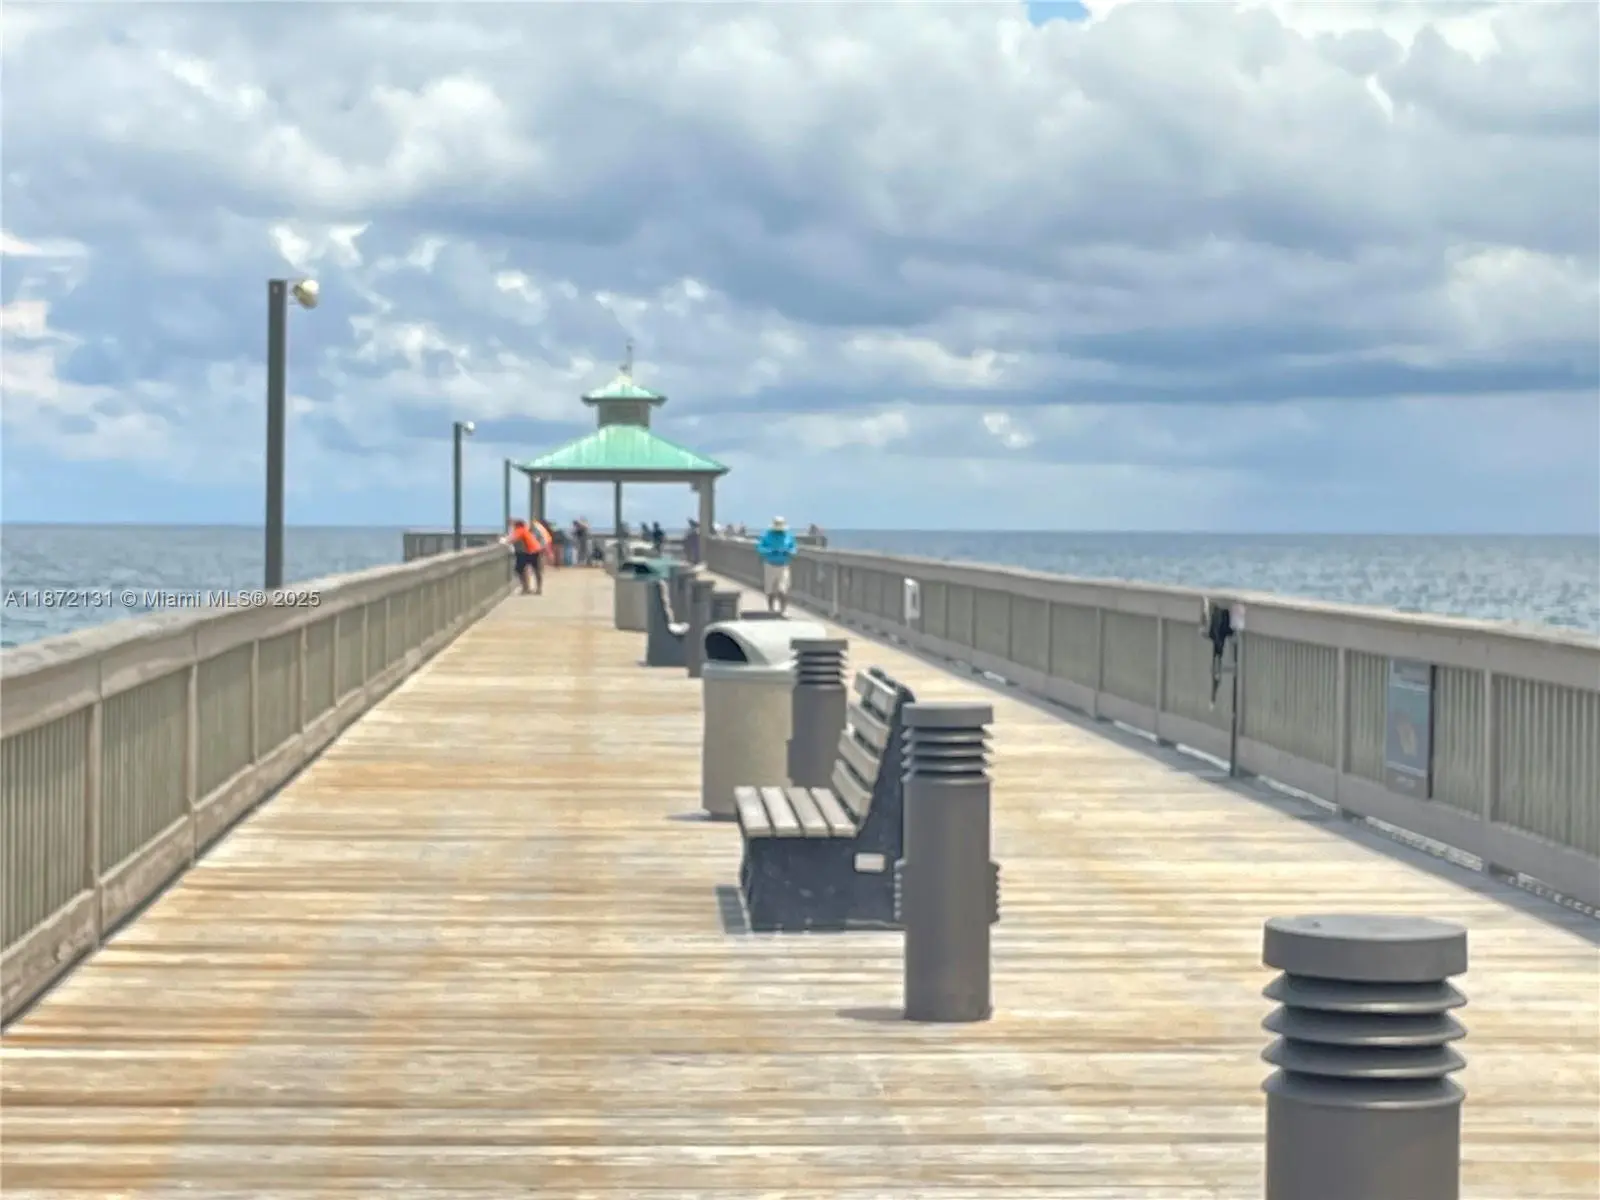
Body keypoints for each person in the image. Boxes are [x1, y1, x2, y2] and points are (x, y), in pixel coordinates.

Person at [755, 515, 798, 615]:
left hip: (783, 565)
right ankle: (771, 609)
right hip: (770, 564)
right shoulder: (767, 535)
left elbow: (794, 548)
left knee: (783, 589)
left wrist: (788, 551)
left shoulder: (788, 536)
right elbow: (760, 548)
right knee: (770, 590)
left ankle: (783, 610)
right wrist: (771, 551)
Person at [500, 518, 550, 595]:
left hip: (529, 552)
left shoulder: (520, 530)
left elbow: (512, 539)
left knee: (520, 569)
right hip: (535, 550)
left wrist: (503, 540)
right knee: (536, 570)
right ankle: (538, 589)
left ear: (517, 525)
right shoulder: (525, 530)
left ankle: (526, 588)